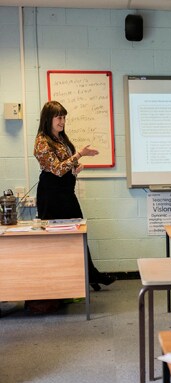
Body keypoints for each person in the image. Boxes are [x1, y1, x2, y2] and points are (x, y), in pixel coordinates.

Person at [34, 101, 115, 291]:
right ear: (48, 118)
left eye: (64, 117)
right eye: (59, 117)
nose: (62, 121)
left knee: (79, 232)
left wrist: (75, 170)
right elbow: (57, 168)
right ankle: (73, 279)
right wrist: (80, 154)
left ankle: (90, 274)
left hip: (65, 193)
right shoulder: (42, 141)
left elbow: (65, 168)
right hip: (51, 197)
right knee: (59, 240)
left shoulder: (61, 138)